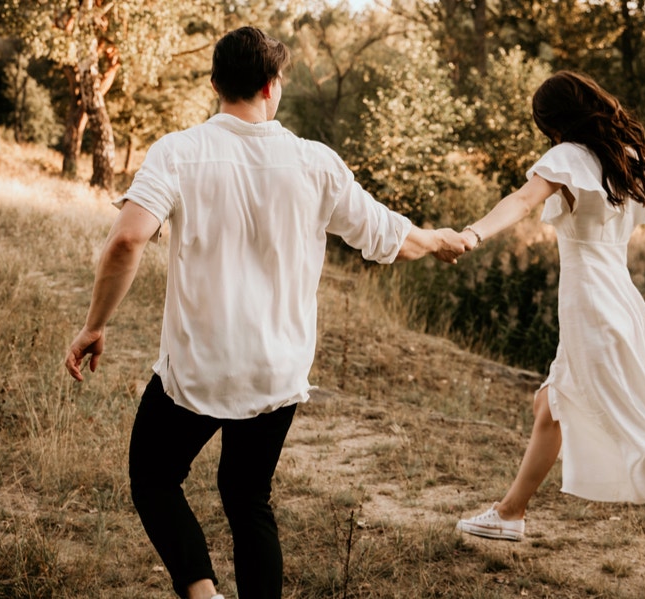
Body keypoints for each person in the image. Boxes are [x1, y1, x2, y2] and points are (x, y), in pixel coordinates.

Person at [64, 26, 470, 599]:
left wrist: (95, 325)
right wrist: (439, 240)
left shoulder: (178, 152)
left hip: (198, 368)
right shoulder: (314, 163)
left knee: (154, 480)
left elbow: (127, 242)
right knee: (248, 497)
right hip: (277, 371)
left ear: (215, 84)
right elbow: (388, 236)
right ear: (272, 86)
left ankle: (202, 595)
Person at [452, 71, 645, 591]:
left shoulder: (566, 159)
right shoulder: (631, 159)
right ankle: (511, 513)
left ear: (553, 121)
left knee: (631, 425)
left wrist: (473, 233)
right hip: (620, 302)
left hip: (591, 305)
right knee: (551, 402)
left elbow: (519, 202)